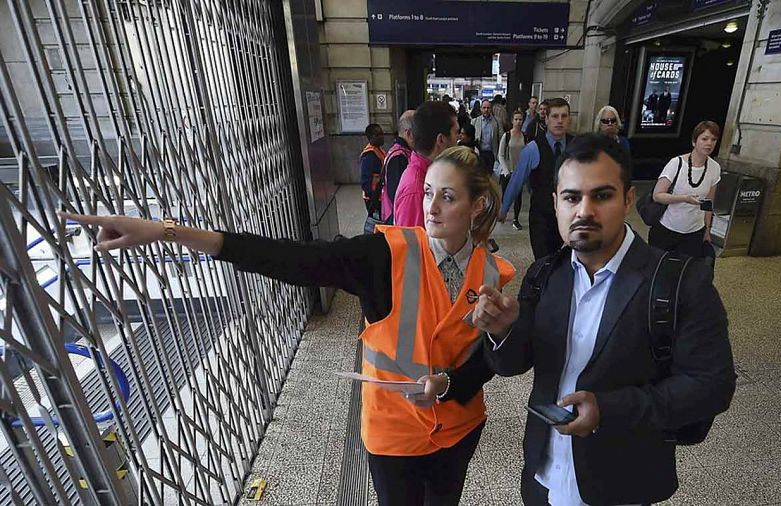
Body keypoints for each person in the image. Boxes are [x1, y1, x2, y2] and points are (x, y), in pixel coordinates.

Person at [61, 145, 515, 506]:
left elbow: (487, 363)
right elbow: (290, 258)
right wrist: (168, 232)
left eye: (448, 197)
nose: (431, 207)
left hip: (458, 430)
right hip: (394, 434)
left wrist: (480, 351)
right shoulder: (383, 255)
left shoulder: (495, 273)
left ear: (477, 206)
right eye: (429, 191)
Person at [473, 133, 736, 506]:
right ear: (555, 203)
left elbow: (712, 385)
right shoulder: (546, 273)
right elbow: (514, 363)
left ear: (628, 199)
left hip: (619, 483)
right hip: (544, 476)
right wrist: (503, 332)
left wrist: (609, 410)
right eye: (571, 197)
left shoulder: (680, 282)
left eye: (602, 195)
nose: (584, 210)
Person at [499, 97, 573, 259]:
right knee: (543, 261)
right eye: (555, 116)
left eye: (564, 116)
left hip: (569, 217)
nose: (559, 121)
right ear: (546, 119)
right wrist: (504, 209)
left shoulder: (576, 147)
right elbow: (517, 180)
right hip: (541, 217)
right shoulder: (532, 149)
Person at [649, 120, 722, 258]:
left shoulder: (714, 168)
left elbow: (708, 202)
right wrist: (684, 198)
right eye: (705, 139)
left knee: (686, 268)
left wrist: (707, 230)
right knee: (659, 266)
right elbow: (657, 195)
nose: (709, 143)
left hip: (694, 231)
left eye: (713, 140)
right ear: (694, 142)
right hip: (667, 227)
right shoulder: (676, 164)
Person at [394, 101, 459, 227]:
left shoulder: (430, 175)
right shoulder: (416, 189)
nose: (458, 139)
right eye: (456, 133)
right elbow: (411, 239)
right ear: (441, 140)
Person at [380, 110, 415, 224]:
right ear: (409, 133)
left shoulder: (398, 150)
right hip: (396, 219)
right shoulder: (399, 157)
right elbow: (397, 195)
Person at [498, 110, 526, 231]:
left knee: (518, 196)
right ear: (512, 121)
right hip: (507, 171)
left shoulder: (524, 136)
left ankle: (516, 219)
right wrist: (506, 171)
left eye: (520, 119)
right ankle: (503, 213)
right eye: (516, 119)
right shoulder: (507, 136)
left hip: (519, 171)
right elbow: (500, 155)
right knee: (506, 195)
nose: (518, 122)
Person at [471, 100, 502, 176]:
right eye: (484, 108)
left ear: (491, 109)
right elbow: (471, 137)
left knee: (490, 175)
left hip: (492, 153)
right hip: (480, 152)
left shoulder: (497, 122)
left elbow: (501, 138)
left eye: (488, 108)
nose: (486, 110)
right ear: (481, 109)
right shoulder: (475, 121)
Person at [360, 123, 386, 213]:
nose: (382, 137)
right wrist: (372, 198)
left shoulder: (378, 149)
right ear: (371, 137)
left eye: (382, 133)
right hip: (374, 197)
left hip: (379, 194)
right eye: (378, 135)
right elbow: (365, 180)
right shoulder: (369, 155)